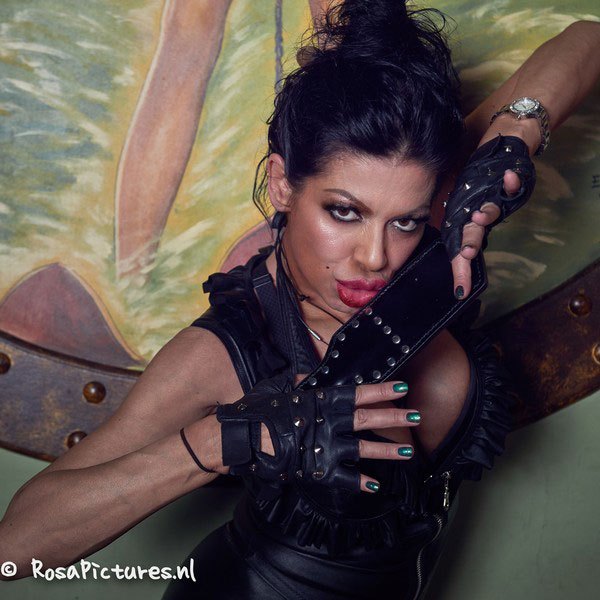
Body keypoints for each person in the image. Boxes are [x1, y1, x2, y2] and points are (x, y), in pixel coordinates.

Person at [1, 1, 599, 599]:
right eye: (344, 212)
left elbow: (587, 39)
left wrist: (516, 136)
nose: (376, 257)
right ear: (283, 183)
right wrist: (227, 441)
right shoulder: (230, 349)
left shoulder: (425, 219)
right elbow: (15, 548)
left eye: (406, 221)